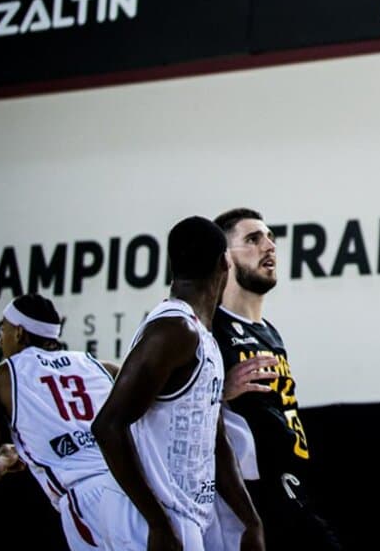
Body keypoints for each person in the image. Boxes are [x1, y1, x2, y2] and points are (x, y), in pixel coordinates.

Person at [93, 215, 264, 551]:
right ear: (224, 264)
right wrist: (157, 523)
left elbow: (216, 439)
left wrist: (251, 520)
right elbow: (107, 425)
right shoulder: (173, 330)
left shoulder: (202, 337)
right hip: (149, 518)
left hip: (183, 516)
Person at [208, 207, 343, 550]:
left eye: (270, 238)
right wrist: (218, 391)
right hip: (247, 494)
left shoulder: (270, 332)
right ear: (224, 258)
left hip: (293, 485)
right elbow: (161, 401)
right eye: (253, 239)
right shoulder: (207, 327)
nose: (269, 246)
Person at [0, 294, 122, 549]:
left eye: (3, 329)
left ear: (18, 333)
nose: (0, 338)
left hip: (88, 499)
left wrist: (4, 459)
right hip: (134, 485)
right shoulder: (100, 366)